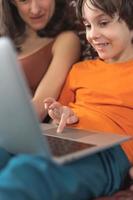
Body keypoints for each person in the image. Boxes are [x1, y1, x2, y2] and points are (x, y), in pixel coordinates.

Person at [0, 0, 132, 200]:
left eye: (103, 23)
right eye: (88, 25)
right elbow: (60, 111)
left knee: (26, 174)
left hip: (110, 153)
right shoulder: (80, 70)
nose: (93, 35)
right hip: (67, 139)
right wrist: (63, 114)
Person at [0, 0, 80, 121]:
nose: (35, 9)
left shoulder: (67, 40)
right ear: (13, 2)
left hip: (22, 127)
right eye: (24, 0)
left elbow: (40, 106)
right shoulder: (4, 41)